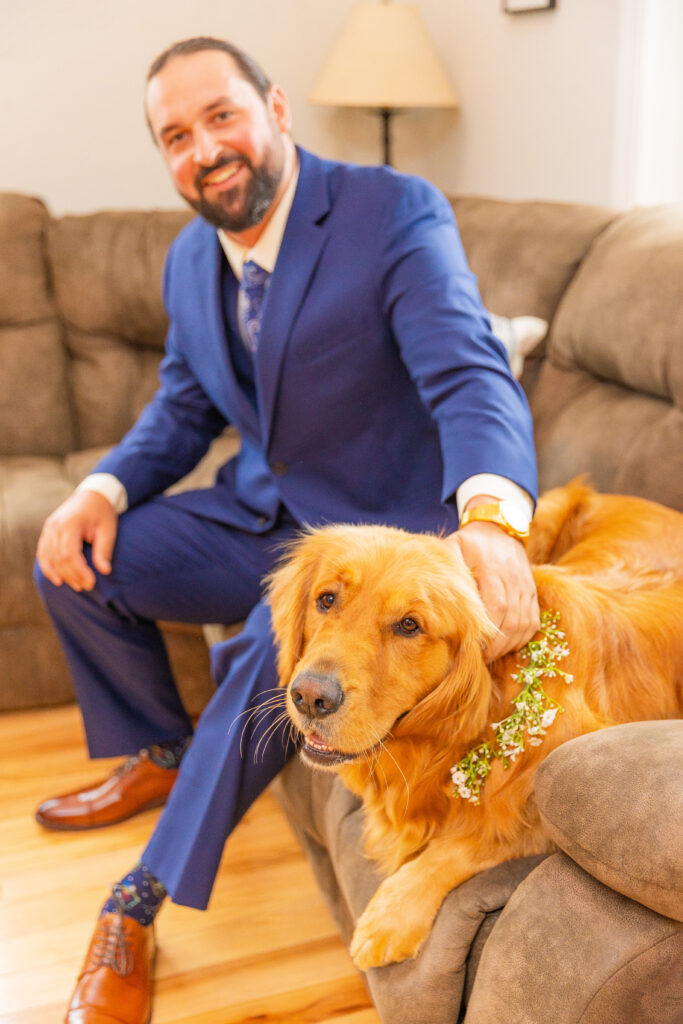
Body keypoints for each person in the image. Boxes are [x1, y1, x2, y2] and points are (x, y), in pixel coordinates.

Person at [34, 37, 539, 1024]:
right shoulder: (191, 257)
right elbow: (182, 407)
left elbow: (468, 374)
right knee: (70, 564)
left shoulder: (390, 213)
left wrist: (490, 516)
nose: (204, 149)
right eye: (175, 136)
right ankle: (159, 752)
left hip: (373, 548)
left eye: (220, 116)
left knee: (271, 654)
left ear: (272, 107)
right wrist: (97, 488)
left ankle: (134, 902)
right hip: (257, 513)